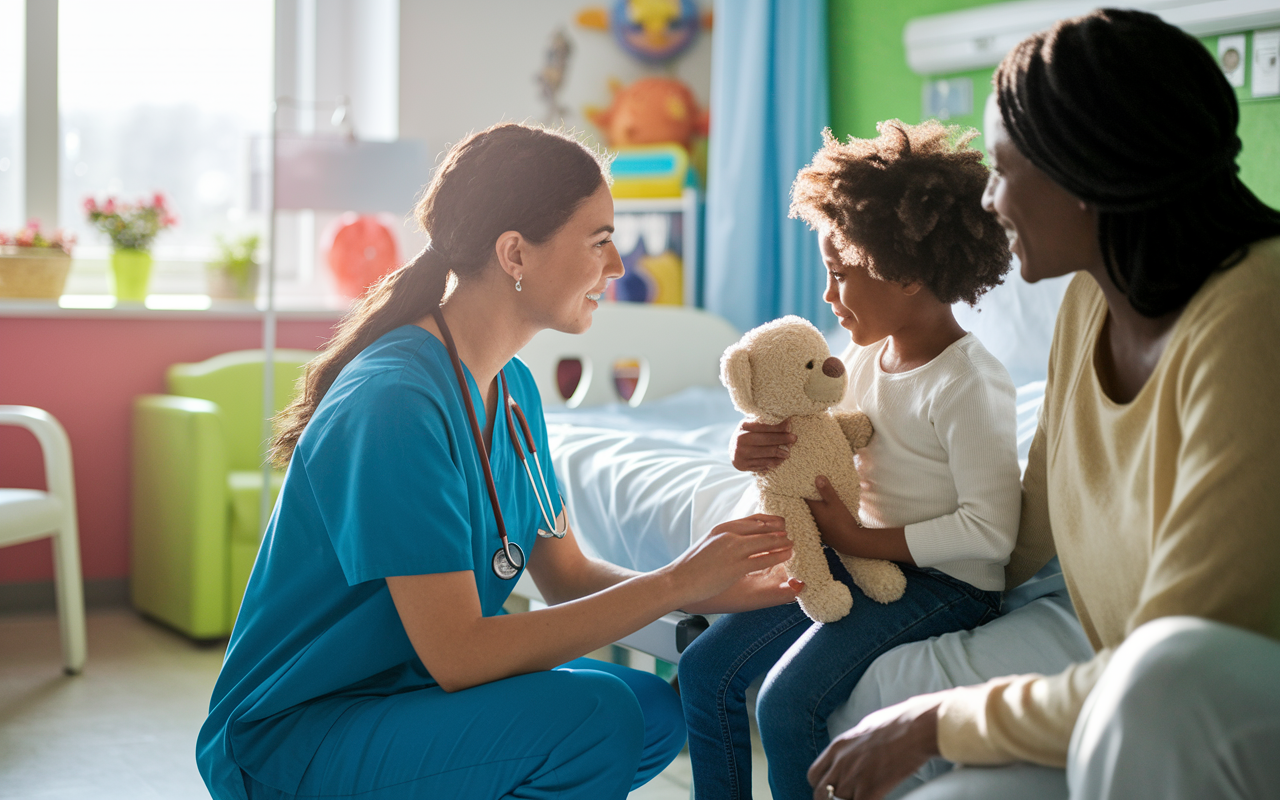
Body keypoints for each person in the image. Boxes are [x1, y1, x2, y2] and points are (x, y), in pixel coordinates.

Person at [195, 123, 802, 800]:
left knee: (650, 708)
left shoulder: (512, 391)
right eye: (600, 241)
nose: (619, 268)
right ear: (515, 252)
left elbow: (567, 575)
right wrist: (674, 583)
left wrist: (714, 588)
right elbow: (460, 656)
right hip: (295, 738)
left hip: (406, 699)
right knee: (595, 720)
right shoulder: (396, 403)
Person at [809, 10, 1280, 800]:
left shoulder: (1256, 318)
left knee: (1164, 673)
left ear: (1085, 172)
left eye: (1003, 170)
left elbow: (1173, 660)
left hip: (1207, 705)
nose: (990, 202)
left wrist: (936, 720)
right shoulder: (1089, 309)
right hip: (1140, 711)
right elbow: (1024, 525)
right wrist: (883, 563)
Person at [677, 120, 1019, 800]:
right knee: (704, 672)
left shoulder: (967, 384)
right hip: (855, 558)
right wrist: (754, 444)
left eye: (841, 276)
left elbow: (991, 534)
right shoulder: (864, 353)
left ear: (910, 272)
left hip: (944, 583)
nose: (829, 297)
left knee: (785, 704)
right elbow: (815, 435)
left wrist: (855, 537)